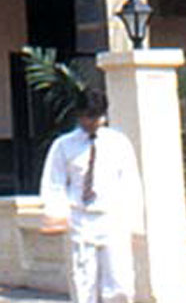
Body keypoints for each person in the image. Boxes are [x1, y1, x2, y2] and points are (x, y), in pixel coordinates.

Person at [38, 90, 140, 303]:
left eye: (95, 117)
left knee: (119, 281)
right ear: (78, 115)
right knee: (83, 282)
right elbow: (54, 182)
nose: (90, 122)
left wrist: (133, 221)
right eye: (86, 116)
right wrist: (56, 213)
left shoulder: (118, 143)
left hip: (112, 217)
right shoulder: (64, 145)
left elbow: (130, 183)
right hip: (80, 218)